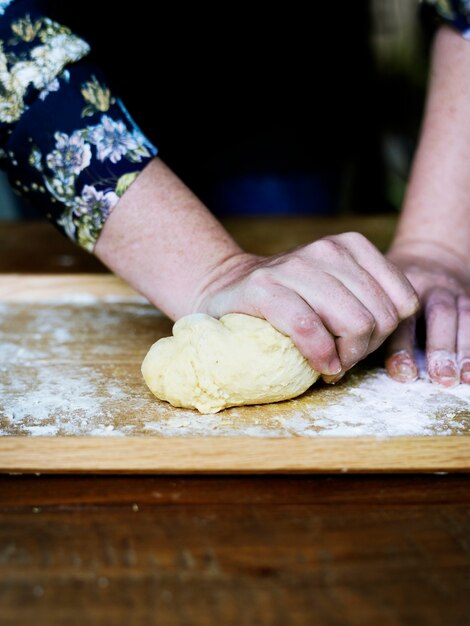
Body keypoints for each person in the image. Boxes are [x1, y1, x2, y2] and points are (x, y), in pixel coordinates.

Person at [0, 0, 468, 387]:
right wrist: (209, 270)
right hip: (67, 81)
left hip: (279, 71)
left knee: (304, 316)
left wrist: (437, 244)